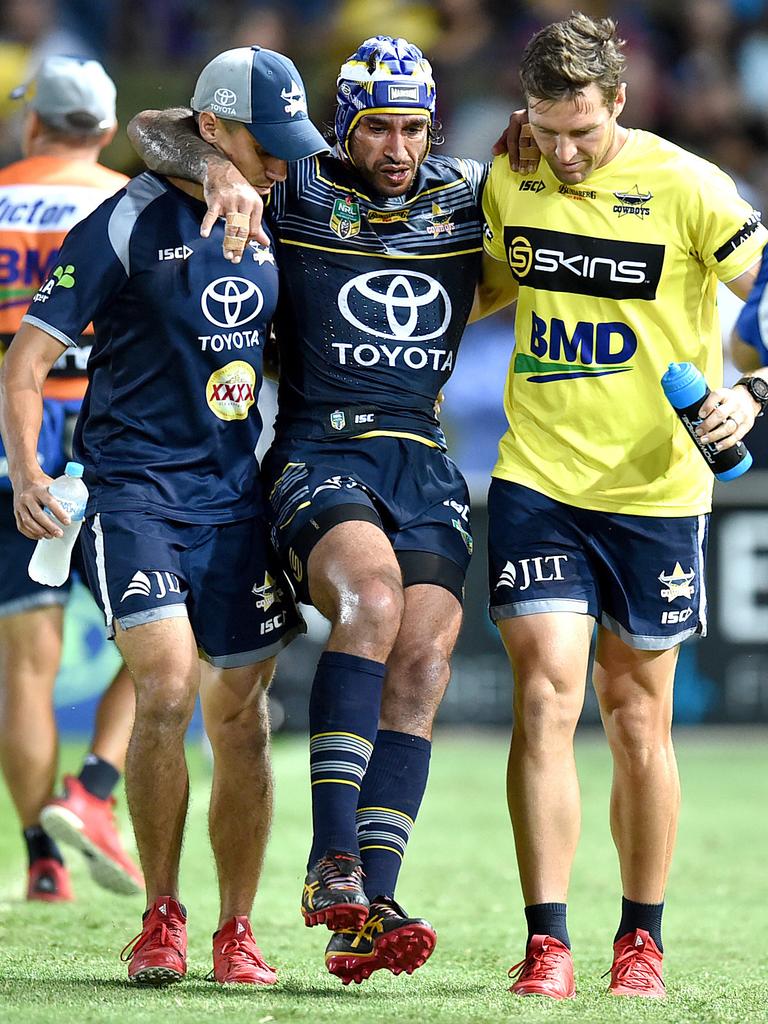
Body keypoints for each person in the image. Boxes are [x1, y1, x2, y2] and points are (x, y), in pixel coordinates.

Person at [127, 36, 488, 984]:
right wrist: (216, 168)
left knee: (426, 656)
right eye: (378, 126)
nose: (399, 146)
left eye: (414, 126)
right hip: (320, 447)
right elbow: (150, 129)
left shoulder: (468, 194)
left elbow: (556, 198)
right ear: (343, 126)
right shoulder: (295, 191)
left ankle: (365, 905)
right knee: (370, 605)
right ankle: (332, 861)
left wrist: (539, 137)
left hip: (425, 454)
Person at [0, 45, 324, 985]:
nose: (286, 160)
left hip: (235, 497)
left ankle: (235, 931)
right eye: (267, 143)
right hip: (131, 489)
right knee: (169, 686)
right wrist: (28, 468)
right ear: (215, 130)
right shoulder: (120, 224)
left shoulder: (285, 207)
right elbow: (24, 363)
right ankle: (161, 916)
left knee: (244, 719)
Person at [475, 12, 768, 1000]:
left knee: (637, 712)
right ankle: (547, 939)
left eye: (583, 132)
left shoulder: (685, 183)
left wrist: (752, 389)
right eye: (546, 128)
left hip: (656, 488)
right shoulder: (510, 172)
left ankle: (639, 937)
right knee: (549, 690)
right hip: (539, 476)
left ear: (622, 105)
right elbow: (473, 287)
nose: (562, 152)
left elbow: (765, 290)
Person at [0, 54, 142, 903]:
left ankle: (39, 860)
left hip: (12, 445)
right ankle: (93, 785)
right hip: (107, 437)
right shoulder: (127, 200)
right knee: (173, 628)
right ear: (108, 127)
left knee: (27, 663)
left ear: (33, 123)